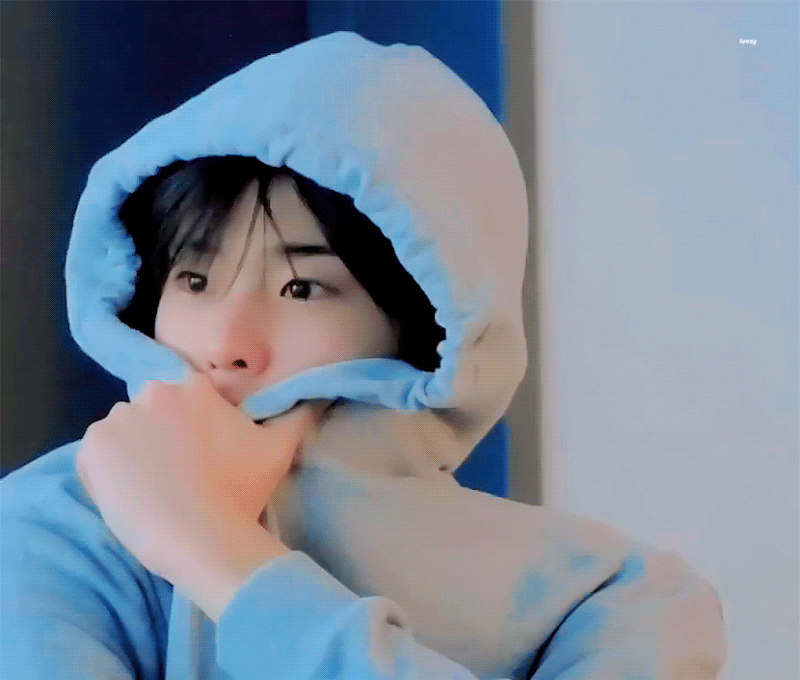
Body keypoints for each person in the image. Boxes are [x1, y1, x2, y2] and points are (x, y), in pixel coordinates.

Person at [0, 32, 726, 679]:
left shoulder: (618, 602)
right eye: (193, 279)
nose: (225, 345)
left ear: (427, 326)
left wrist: (217, 555)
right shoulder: (50, 530)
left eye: (301, 288)